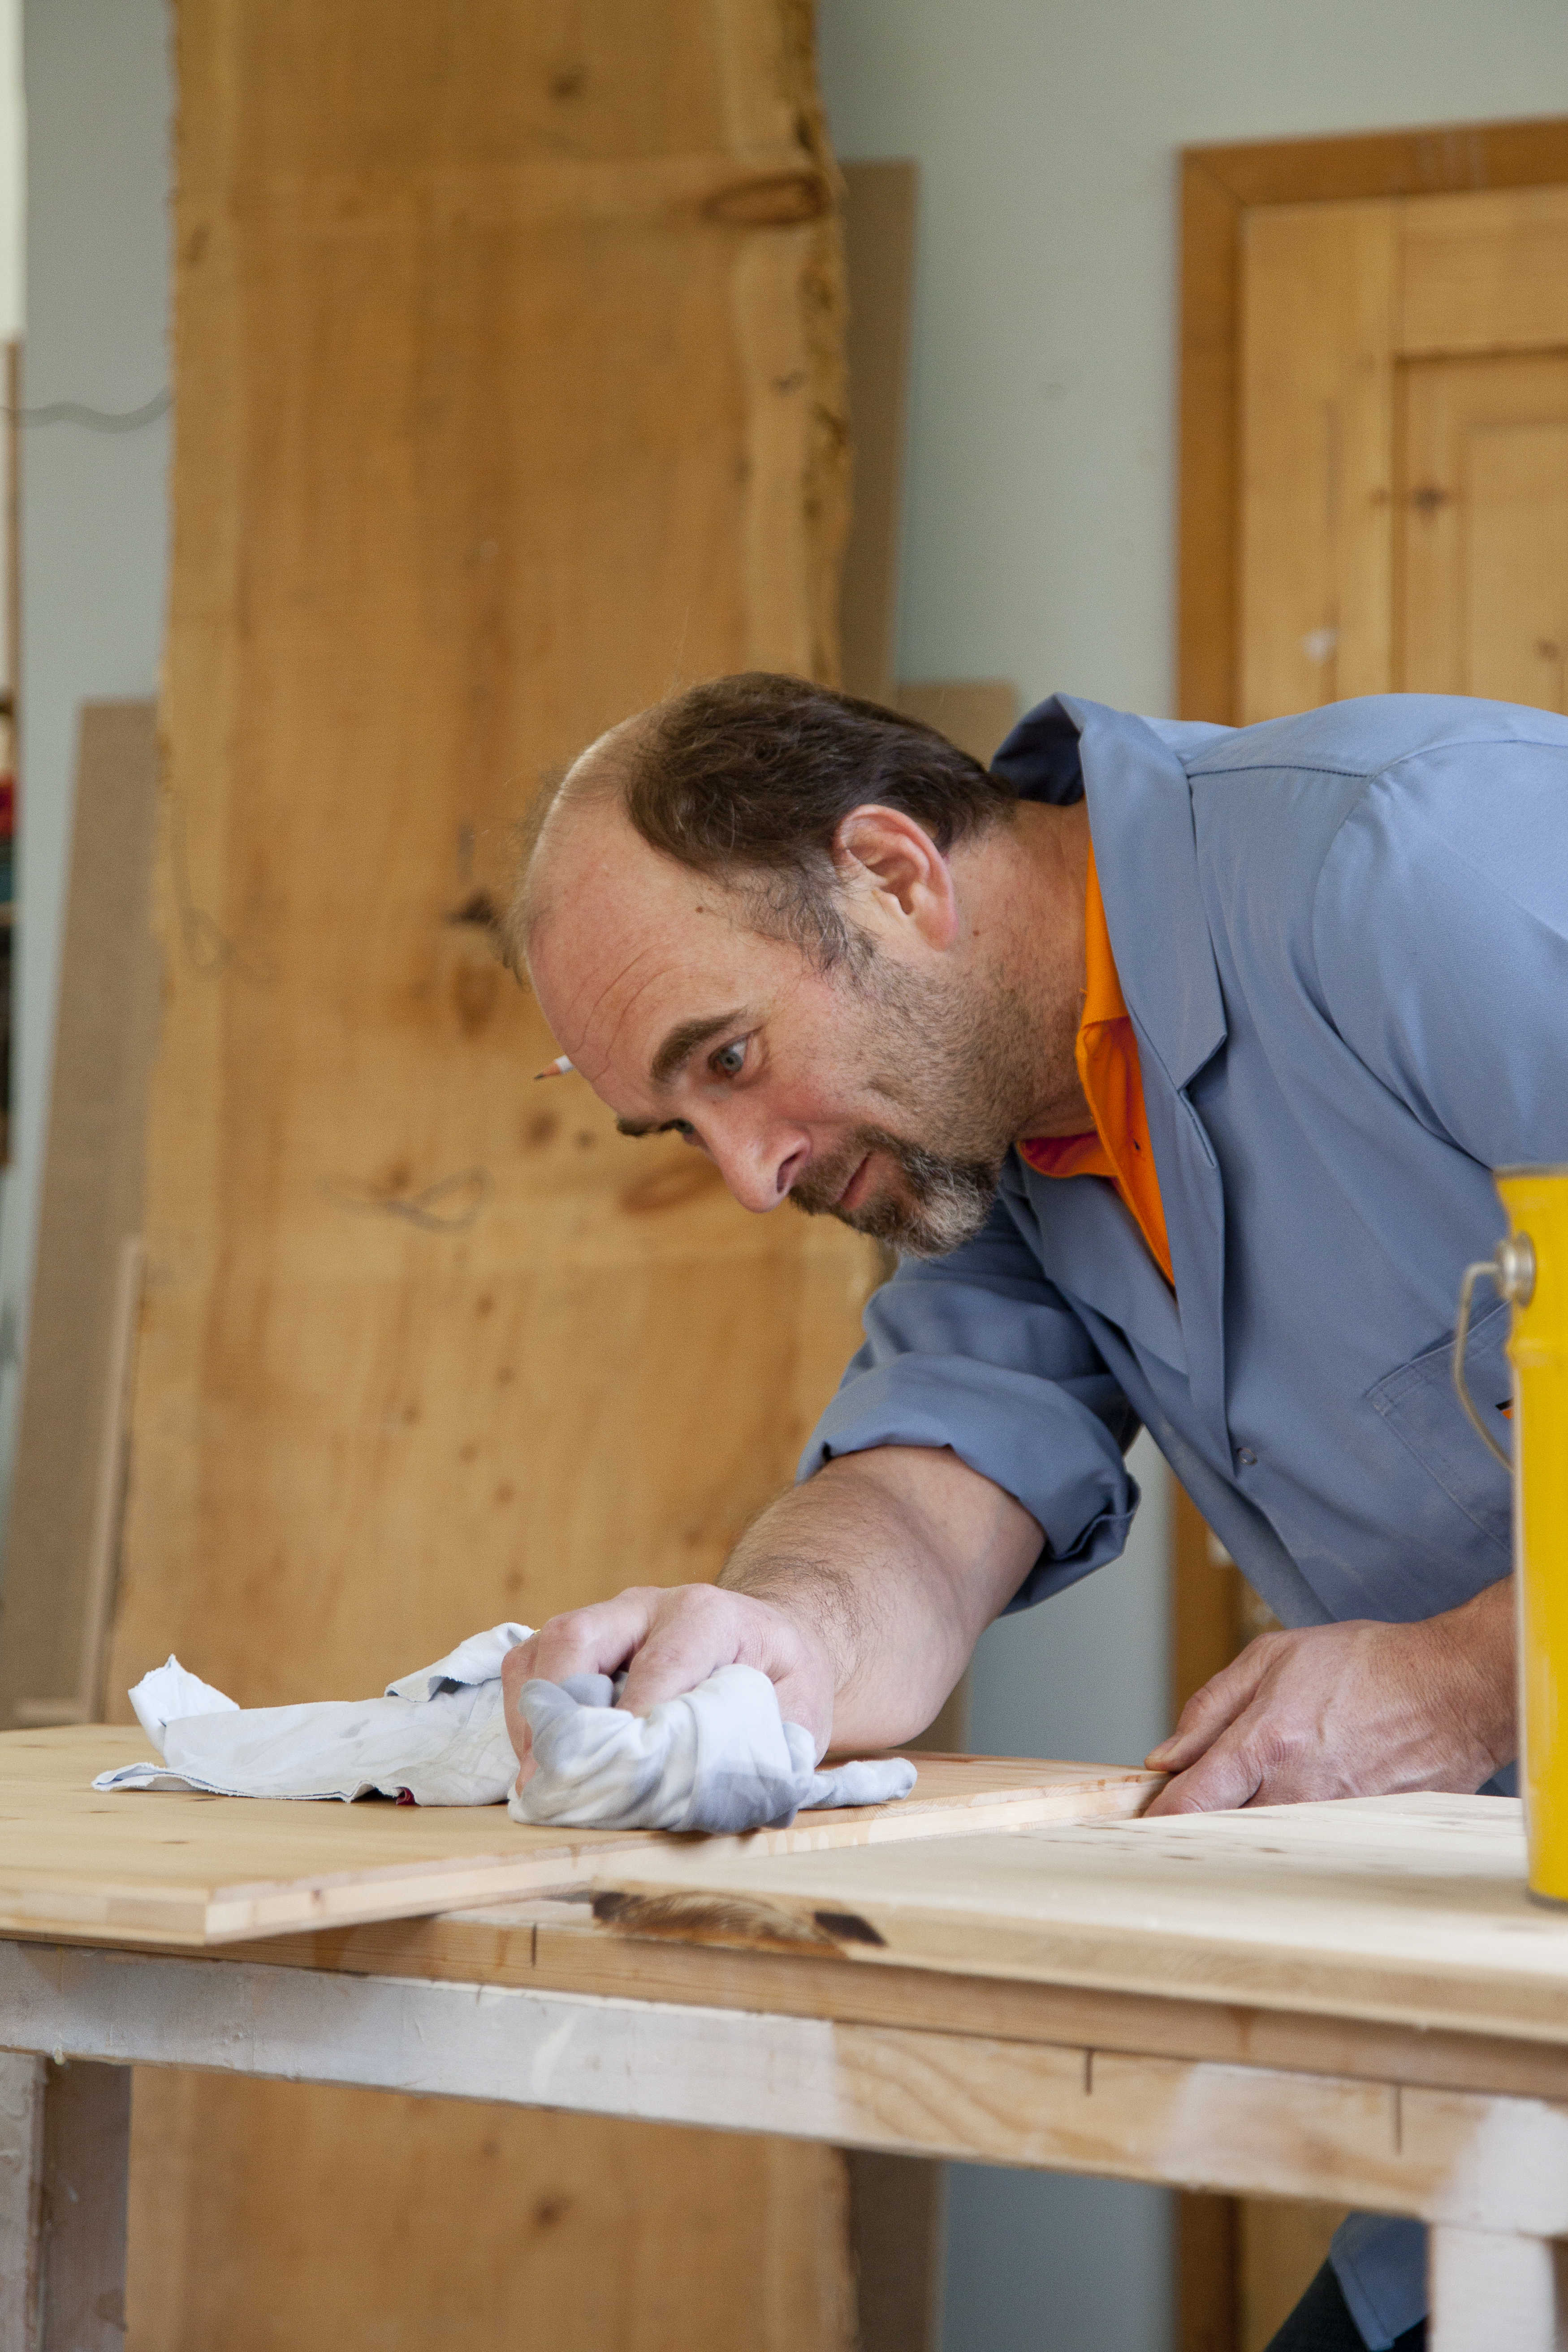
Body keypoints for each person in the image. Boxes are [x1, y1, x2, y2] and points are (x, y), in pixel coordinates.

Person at [502, 672, 1566, 2351]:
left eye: (730, 1058)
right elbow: (924, 1499)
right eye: (678, 1117)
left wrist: (1465, 1673)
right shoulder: (1003, 1134)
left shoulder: (1417, 856)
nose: (741, 1173)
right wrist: (774, 1645)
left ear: (895, 879)